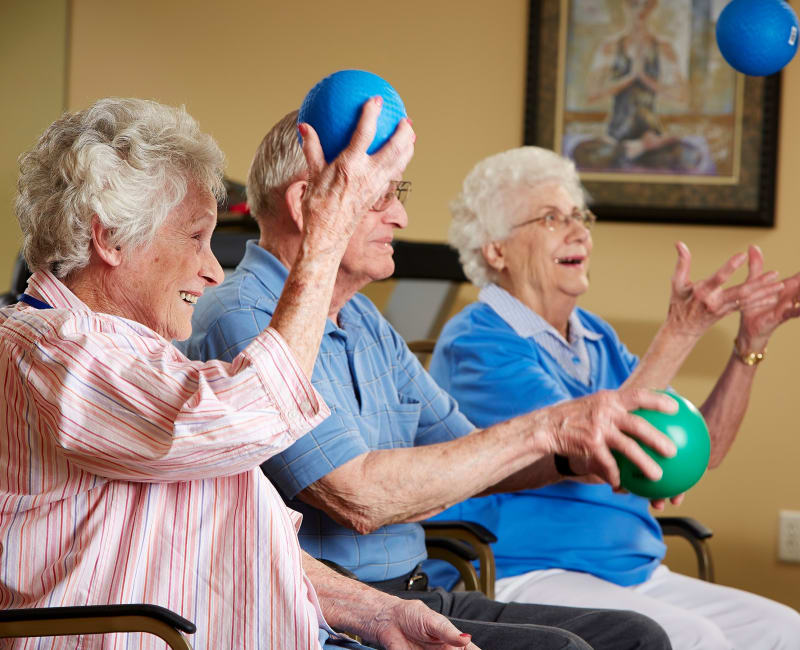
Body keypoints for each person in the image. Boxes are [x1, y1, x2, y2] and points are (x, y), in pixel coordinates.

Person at [180, 110, 711, 650]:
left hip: (417, 591)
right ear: (306, 204)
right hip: (326, 611)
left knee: (637, 638)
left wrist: (580, 454)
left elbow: (469, 453)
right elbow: (356, 497)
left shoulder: (366, 322)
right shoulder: (242, 315)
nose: (403, 216)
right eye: (381, 196)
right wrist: (549, 428)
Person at [0, 96, 481, 650]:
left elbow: (248, 539)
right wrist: (327, 233)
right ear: (109, 237)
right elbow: (250, 411)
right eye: (195, 238)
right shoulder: (60, 351)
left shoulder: (131, 358)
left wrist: (380, 615)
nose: (210, 269)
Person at [424, 146, 800, 649]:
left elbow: (699, 449)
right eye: (552, 218)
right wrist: (680, 331)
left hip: (632, 571)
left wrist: (748, 346)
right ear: (496, 249)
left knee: (784, 631)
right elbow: (601, 445)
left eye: (580, 216)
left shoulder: (596, 337)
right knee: (697, 639)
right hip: (523, 573)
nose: (580, 230)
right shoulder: (478, 341)